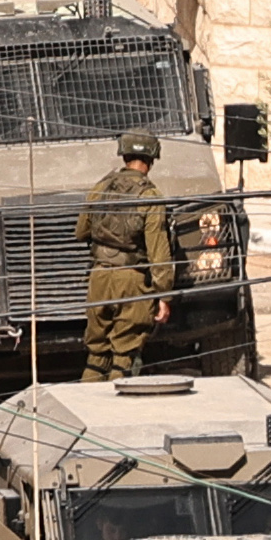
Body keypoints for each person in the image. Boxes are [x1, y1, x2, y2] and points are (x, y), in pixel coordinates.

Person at [74, 130, 175, 381]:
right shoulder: (150, 197)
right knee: (124, 356)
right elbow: (158, 252)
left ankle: (89, 408)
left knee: (97, 354)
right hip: (132, 282)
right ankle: (115, 414)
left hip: (99, 278)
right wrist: (164, 294)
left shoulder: (101, 187)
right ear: (152, 158)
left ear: (124, 155)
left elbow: (81, 231)